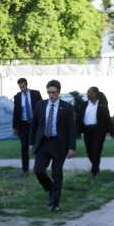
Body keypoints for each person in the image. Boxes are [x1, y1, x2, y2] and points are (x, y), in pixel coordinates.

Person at [30, 80, 76, 212]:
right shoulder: (40, 105)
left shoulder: (67, 107)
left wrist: (72, 148)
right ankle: (50, 188)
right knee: (38, 170)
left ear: (59, 92)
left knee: (56, 173)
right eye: (49, 92)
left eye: (54, 92)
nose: (51, 95)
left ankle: (55, 203)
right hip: (43, 143)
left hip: (59, 144)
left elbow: (72, 129)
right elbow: (34, 125)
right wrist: (31, 143)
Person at [77, 87, 114, 178]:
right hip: (87, 130)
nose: (88, 94)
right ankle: (96, 166)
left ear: (96, 94)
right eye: (87, 92)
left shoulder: (102, 105)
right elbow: (79, 118)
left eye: (90, 92)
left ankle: (94, 171)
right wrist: (77, 131)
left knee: (96, 150)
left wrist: (111, 131)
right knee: (89, 151)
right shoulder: (84, 105)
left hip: (98, 131)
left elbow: (107, 119)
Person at [12, 78, 42, 175]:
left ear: (27, 84)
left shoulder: (35, 94)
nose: (22, 89)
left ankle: (39, 168)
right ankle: (25, 170)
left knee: (37, 146)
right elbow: (15, 113)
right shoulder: (17, 97)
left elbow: (41, 108)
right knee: (24, 147)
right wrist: (14, 127)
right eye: (20, 87)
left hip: (35, 124)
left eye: (23, 86)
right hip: (23, 125)